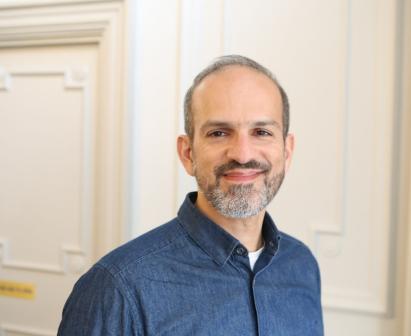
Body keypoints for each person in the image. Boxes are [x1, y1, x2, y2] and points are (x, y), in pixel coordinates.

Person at [58, 55, 324, 335]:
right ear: (188, 154)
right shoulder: (117, 288)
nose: (243, 154)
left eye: (261, 132)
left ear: (287, 151)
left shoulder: (302, 266)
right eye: (219, 133)